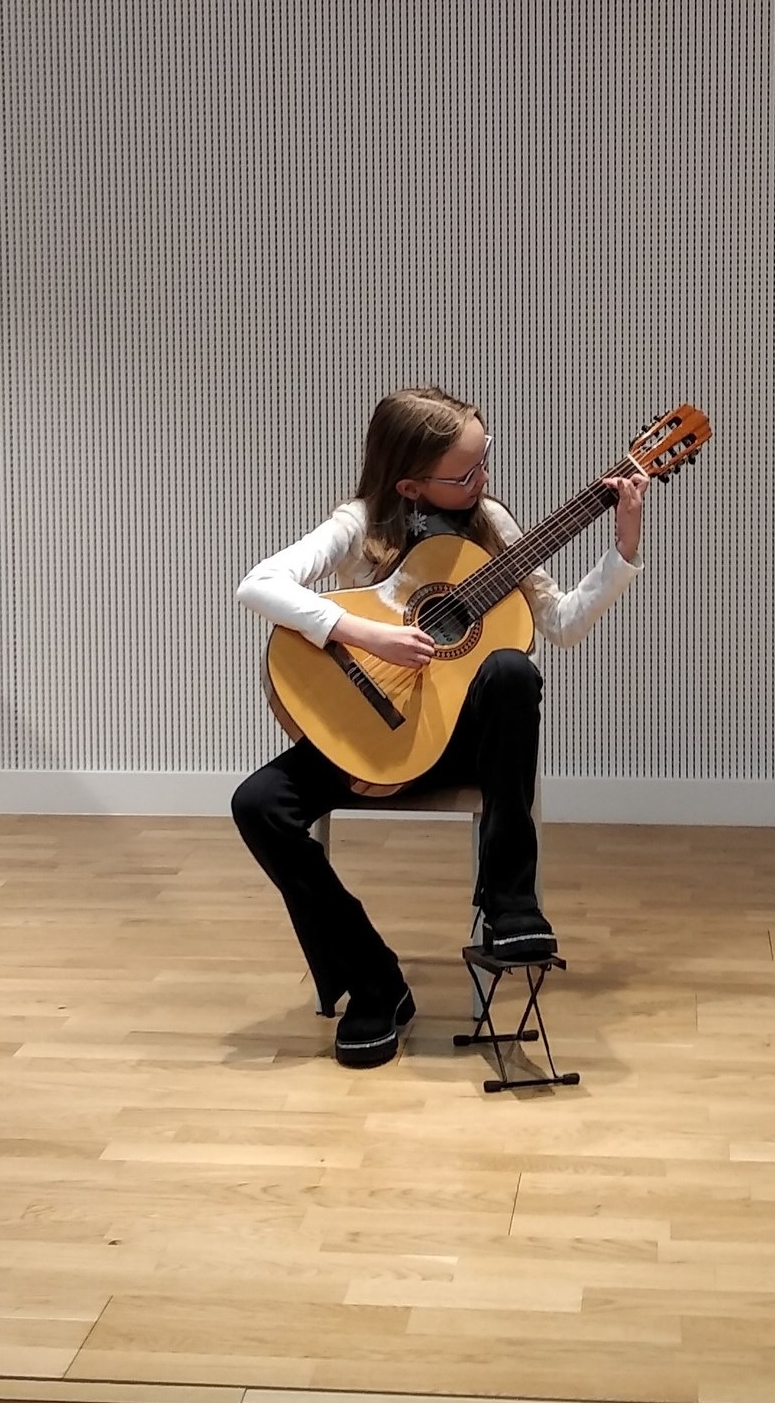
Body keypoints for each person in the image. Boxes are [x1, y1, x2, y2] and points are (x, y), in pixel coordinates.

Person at [232, 386, 647, 1068]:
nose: (483, 479)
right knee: (257, 805)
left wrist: (622, 548)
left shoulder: (492, 523)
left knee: (512, 670)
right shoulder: (360, 523)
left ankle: (510, 904)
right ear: (409, 483)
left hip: (461, 745)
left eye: (484, 460)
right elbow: (259, 584)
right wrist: (368, 633)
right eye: (465, 472)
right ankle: (374, 980)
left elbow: (561, 623)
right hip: (374, 735)